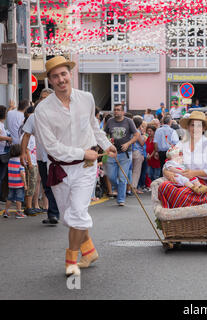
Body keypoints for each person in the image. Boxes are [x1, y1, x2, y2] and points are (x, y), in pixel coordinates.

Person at [34, 56, 117, 276]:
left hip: (86, 167)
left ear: (70, 74)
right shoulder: (42, 110)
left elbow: (94, 126)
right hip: (59, 169)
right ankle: (89, 251)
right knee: (69, 217)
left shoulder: (87, 98)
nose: (61, 79)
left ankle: (71, 259)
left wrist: (107, 145)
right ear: (50, 81)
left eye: (64, 74)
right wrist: (82, 151)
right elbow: (51, 147)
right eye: (55, 76)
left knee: (78, 213)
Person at [158, 111, 207, 208]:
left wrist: (194, 173)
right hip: (180, 180)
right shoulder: (181, 144)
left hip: (198, 184)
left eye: (198, 126)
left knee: (182, 194)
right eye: (192, 125)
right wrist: (167, 172)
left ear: (203, 128)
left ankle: (179, 215)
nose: (195, 129)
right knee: (163, 187)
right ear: (188, 127)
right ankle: (173, 216)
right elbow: (169, 162)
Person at [104, 104, 139, 206]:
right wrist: (107, 143)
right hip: (112, 153)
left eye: (118, 110)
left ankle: (121, 200)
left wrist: (128, 143)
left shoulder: (129, 121)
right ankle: (120, 188)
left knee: (122, 177)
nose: (116, 112)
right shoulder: (110, 121)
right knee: (111, 176)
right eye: (114, 110)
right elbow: (104, 134)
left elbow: (136, 135)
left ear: (123, 112)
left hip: (125, 154)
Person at [3, 144, 27, 219]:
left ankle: (6, 211)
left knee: (10, 198)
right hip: (19, 184)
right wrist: (25, 184)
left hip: (11, 183)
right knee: (19, 199)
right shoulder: (20, 162)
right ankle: (19, 212)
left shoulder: (10, 160)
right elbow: (22, 173)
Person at [131, 116, 147, 194]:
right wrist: (144, 136)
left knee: (130, 170)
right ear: (140, 124)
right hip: (137, 152)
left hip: (130, 152)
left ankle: (129, 188)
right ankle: (133, 188)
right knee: (136, 171)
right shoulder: (137, 131)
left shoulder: (131, 130)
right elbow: (142, 143)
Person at [0, 105, 12, 203]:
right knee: (1, 177)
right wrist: (8, 139)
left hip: (3, 153)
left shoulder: (2, 124)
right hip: (1, 154)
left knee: (2, 177)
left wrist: (10, 108)